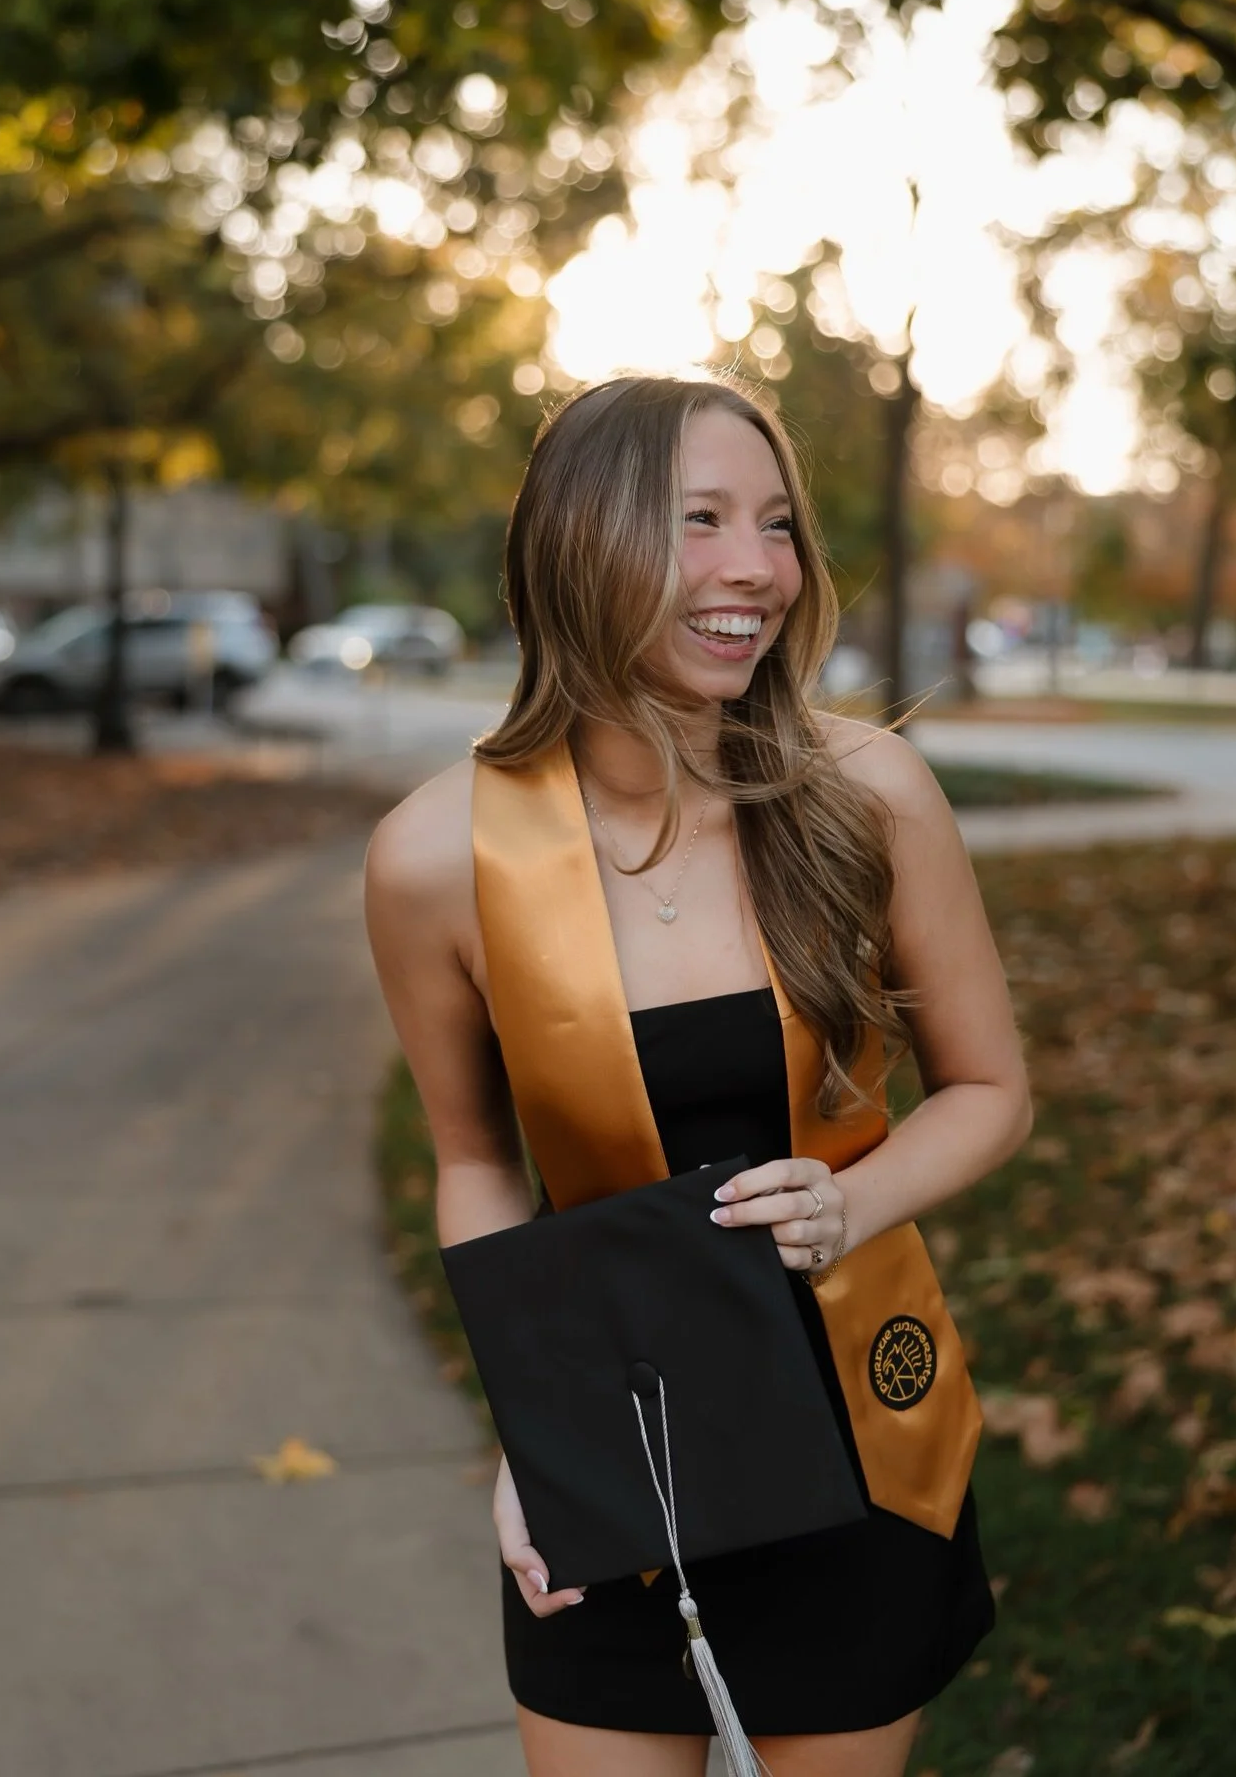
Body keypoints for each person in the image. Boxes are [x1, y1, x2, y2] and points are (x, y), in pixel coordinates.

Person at [363, 373, 1033, 1777]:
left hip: (857, 1436)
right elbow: (476, 1163)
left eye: (777, 524)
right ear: (580, 544)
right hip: (618, 1450)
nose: (758, 569)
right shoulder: (437, 860)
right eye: (701, 521)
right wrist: (540, 1429)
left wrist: (851, 1205)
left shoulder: (867, 795)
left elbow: (990, 1091)